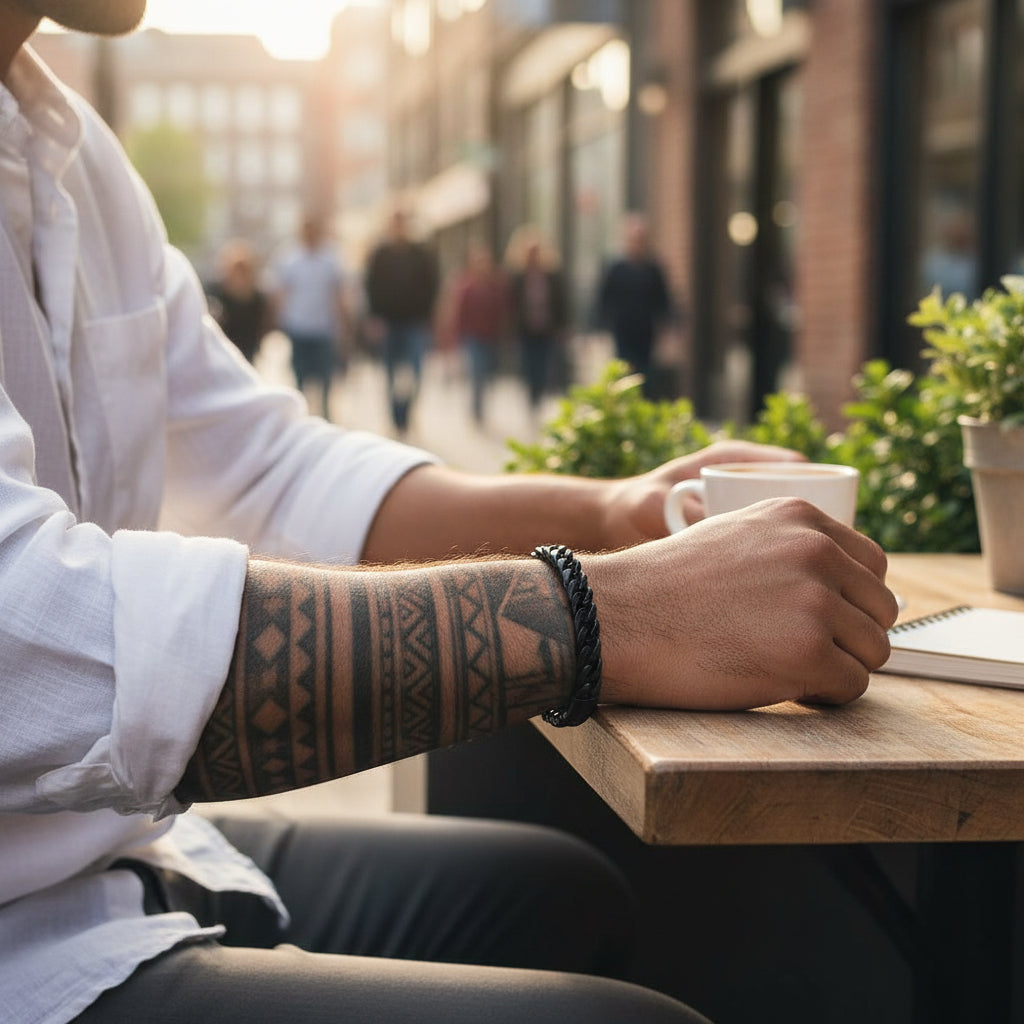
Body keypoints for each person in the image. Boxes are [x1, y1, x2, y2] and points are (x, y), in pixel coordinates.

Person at [0, 6, 899, 1024]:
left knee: (572, 894)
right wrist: (609, 613)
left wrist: (623, 513)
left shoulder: (66, 145)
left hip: (114, 854)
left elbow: (270, 470)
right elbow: (33, 646)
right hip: (25, 943)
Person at [363, 208, 440, 435]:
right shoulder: (380, 254)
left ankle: (407, 413)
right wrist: (374, 318)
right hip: (388, 323)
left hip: (414, 322)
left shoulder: (421, 253)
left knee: (416, 372)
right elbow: (371, 287)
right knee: (389, 373)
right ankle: (394, 417)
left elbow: (432, 285)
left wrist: (428, 317)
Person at [272, 213, 348, 419]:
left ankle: (324, 414)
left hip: (323, 326)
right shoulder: (289, 258)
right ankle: (302, 417)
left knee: (325, 376)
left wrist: (342, 323)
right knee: (300, 376)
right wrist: (280, 321)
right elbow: (281, 291)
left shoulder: (330, 258)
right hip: (298, 325)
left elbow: (337, 292)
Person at [595, 212, 674, 397]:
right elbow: (604, 299)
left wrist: (669, 328)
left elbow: (663, 300)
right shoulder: (616, 268)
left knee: (644, 373)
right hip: (622, 330)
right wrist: (599, 326)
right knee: (624, 371)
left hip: (645, 331)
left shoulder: (653, 269)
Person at [506, 226, 570, 416]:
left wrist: (563, 325)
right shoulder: (517, 276)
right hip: (525, 329)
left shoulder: (551, 276)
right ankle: (531, 397)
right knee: (528, 364)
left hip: (546, 328)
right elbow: (510, 304)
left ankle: (539, 395)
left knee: (543, 364)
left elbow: (561, 302)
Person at [450, 240, 510, 426]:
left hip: (491, 336)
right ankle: (477, 409)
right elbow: (459, 312)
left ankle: (480, 405)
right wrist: (456, 336)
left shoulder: (496, 285)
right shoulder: (467, 286)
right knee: (477, 372)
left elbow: (504, 310)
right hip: (473, 336)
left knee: (487, 373)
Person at [205, 238, 273, 364]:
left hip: (247, 346)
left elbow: (262, 323)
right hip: (225, 346)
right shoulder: (217, 293)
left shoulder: (257, 297)